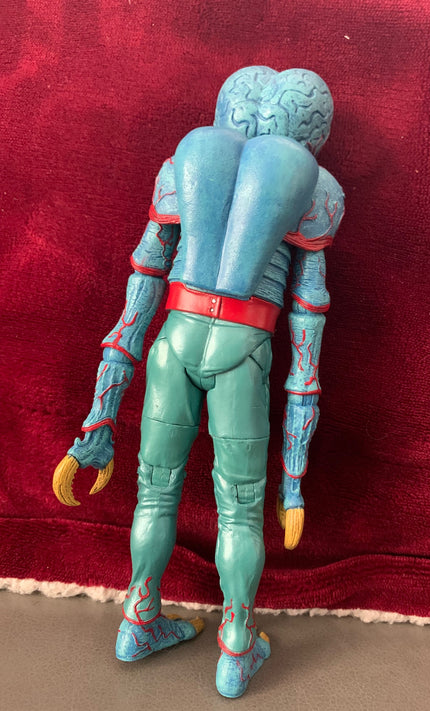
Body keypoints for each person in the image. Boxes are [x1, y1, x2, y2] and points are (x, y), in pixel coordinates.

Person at [54, 66, 344, 699]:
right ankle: (236, 647)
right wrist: (293, 479)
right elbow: (308, 339)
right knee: (240, 508)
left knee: (154, 493)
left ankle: (139, 620)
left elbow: (140, 293)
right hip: (245, 347)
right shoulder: (315, 189)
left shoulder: (182, 166)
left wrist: (99, 419)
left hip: (174, 338)